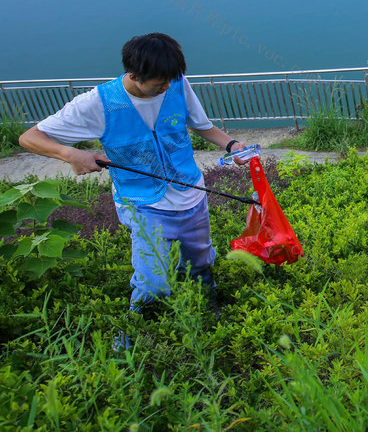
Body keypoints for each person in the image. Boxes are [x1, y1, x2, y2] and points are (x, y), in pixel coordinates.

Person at [19, 33, 249, 323]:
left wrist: (232, 145)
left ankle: (205, 306)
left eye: (170, 80)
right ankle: (137, 330)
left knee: (201, 261)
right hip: (143, 204)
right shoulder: (97, 103)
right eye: (159, 83)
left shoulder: (176, 83)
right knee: (153, 283)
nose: (167, 87)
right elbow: (29, 137)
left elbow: (202, 126)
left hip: (192, 195)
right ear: (134, 75)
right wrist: (70, 154)